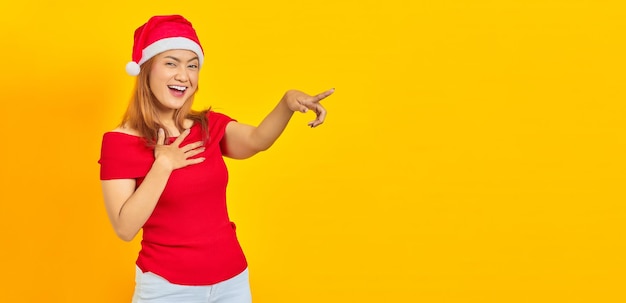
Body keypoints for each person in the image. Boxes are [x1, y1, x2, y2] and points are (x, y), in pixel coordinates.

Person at [98, 15, 334, 303]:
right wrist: (163, 165)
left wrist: (286, 103)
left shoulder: (208, 126)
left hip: (232, 282)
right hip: (167, 288)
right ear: (146, 70)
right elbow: (124, 228)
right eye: (171, 63)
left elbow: (257, 140)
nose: (184, 75)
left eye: (192, 65)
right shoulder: (120, 141)